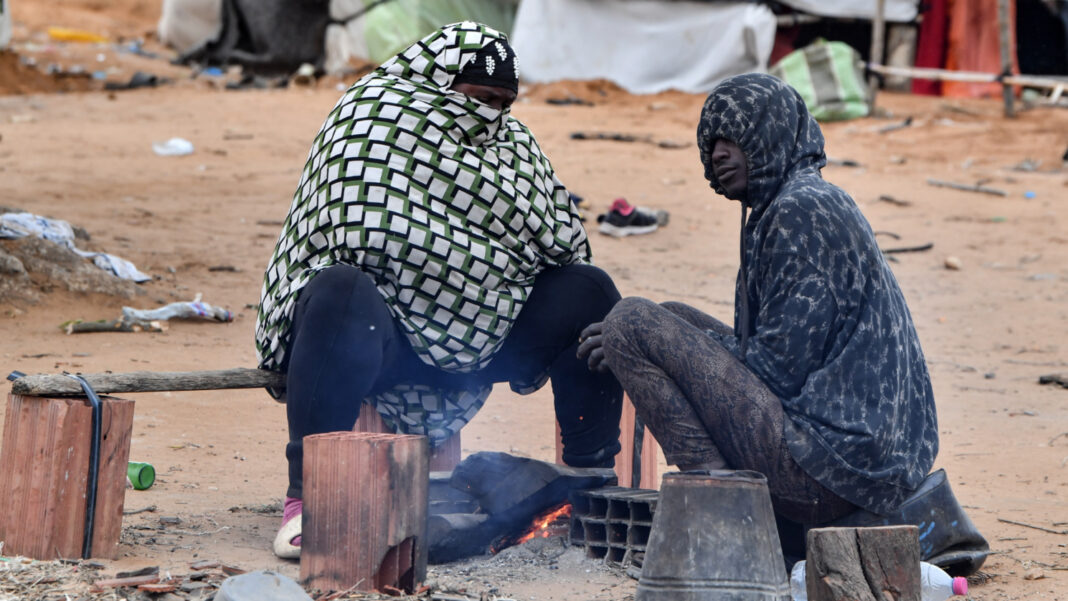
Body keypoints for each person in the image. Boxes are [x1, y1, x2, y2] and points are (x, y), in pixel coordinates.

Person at [578, 73, 986, 573]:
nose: (719, 154)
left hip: (836, 471)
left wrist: (638, 344)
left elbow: (776, 371)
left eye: (735, 138)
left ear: (771, 134)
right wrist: (670, 339)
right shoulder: (793, 203)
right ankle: (746, 513)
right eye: (712, 143)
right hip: (860, 465)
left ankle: (735, 523)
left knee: (630, 323)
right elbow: (772, 359)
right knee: (667, 318)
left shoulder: (800, 211)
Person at [256, 22, 623, 559]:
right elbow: (357, 230)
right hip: (380, 340)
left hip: (482, 333)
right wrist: (468, 255)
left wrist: (471, 269)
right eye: (478, 99)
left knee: (590, 292)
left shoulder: (512, 143)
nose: (490, 115)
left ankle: (591, 479)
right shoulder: (371, 116)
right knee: (339, 290)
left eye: (503, 103)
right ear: (438, 83)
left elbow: (564, 242)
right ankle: (305, 500)